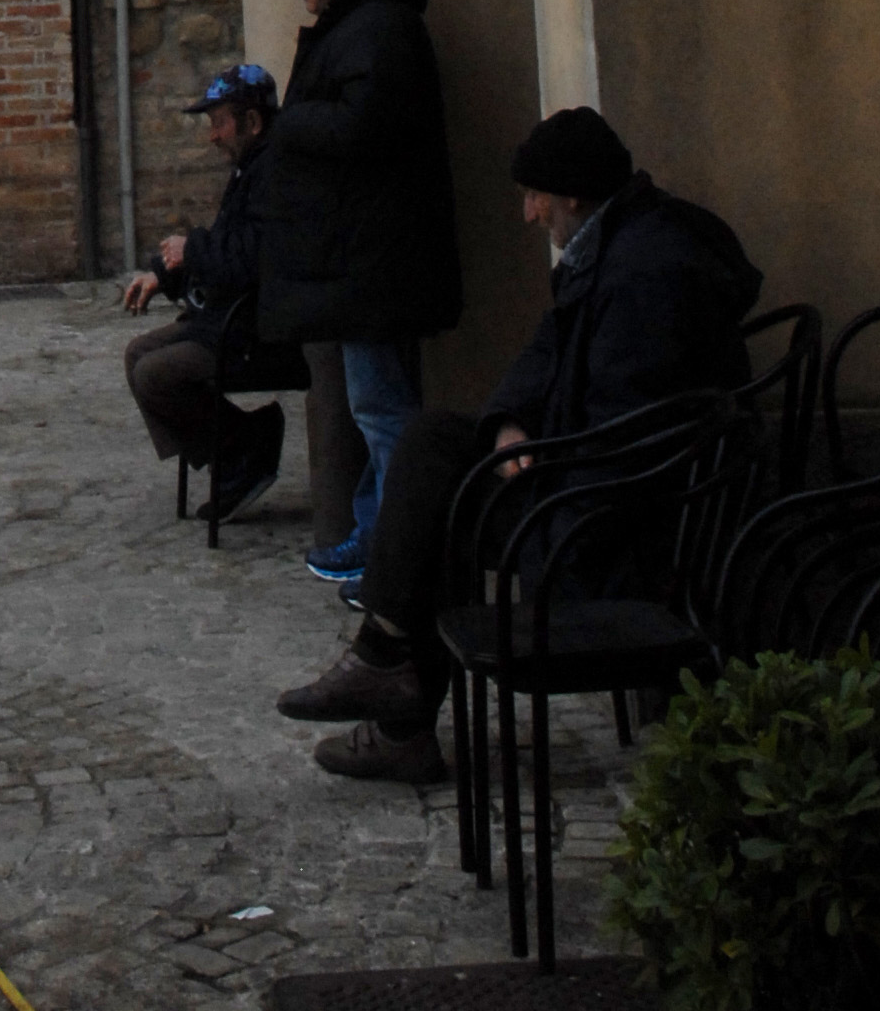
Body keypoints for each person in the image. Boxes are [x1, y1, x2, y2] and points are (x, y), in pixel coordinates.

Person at [276, 105, 763, 785]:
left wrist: (532, 465)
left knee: (439, 498)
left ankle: (395, 694)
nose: (528, 214)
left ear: (570, 193)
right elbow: (547, 353)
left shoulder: (644, 275)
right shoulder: (618, 243)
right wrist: (510, 420)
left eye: (534, 196)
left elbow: (628, 438)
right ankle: (389, 672)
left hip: (610, 528)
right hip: (585, 486)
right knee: (434, 443)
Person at [253, 0, 463, 589]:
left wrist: (291, 122)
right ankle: (378, 532)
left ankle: (400, 550)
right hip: (363, 254)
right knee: (377, 403)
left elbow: (364, 127)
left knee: (380, 407)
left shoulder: (376, 27)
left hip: (375, 259)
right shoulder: (366, 24)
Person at [121, 63, 300, 514]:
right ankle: (236, 452)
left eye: (220, 122)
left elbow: (249, 260)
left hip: (257, 329)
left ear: (252, 122)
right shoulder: (249, 169)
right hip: (228, 318)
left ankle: (245, 446)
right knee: (138, 354)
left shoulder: (275, 172)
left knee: (156, 373)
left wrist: (191, 251)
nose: (213, 135)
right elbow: (223, 247)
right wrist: (164, 274)